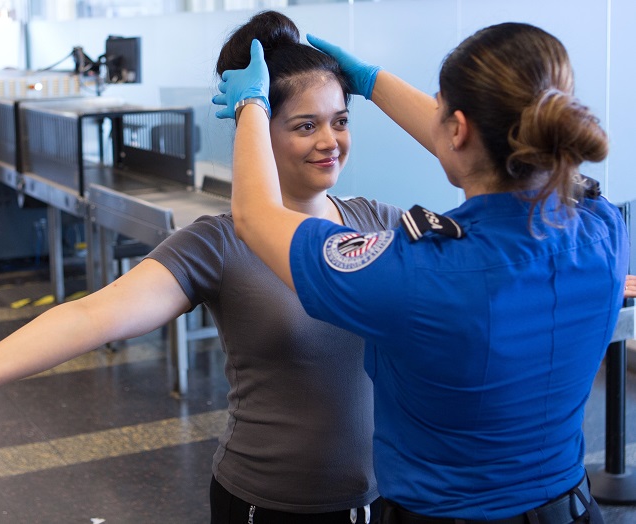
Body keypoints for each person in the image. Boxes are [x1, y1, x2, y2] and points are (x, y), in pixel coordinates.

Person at [0, 11, 403, 523]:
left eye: (340, 120)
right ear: (256, 127)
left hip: (374, 500)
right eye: (306, 125)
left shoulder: (376, 223)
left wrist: (384, 85)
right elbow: (90, 318)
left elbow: (483, 227)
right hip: (265, 505)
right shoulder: (219, 244)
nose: (331, 141)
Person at [214, 21, 629, 523]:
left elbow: (256, 217)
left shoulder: (415, 271)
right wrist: (368, 81)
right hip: (574, 509)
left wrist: (251, 107)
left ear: (457, 129)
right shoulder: (601, 225)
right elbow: (518, 161)